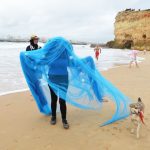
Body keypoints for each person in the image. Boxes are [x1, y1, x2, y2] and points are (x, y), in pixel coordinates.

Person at [48, 50, 69, 129]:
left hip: (64, 80)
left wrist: (86, 60)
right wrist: (28, 55)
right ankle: (53, 116)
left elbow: (75, 63)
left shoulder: (66, 55)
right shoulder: (50, 55)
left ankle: (64, 119)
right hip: (52, 80)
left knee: (62, 100)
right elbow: (39, 61)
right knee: (54, 99)